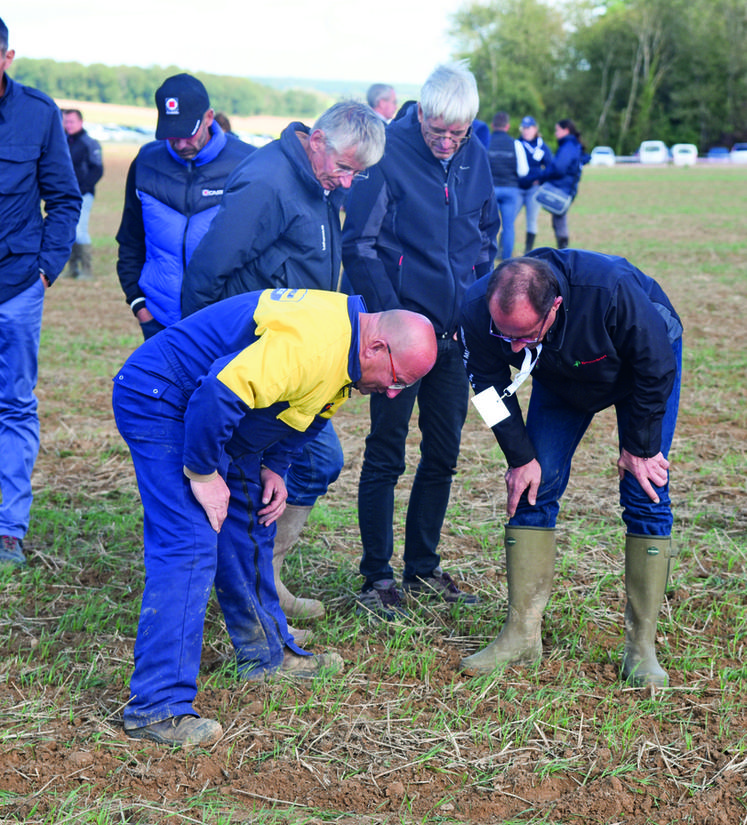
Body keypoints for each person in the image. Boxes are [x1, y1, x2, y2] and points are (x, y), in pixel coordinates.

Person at [112, 287, 437, 746]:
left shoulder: (352, 345)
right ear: (378, 346)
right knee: (190, 542)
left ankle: (266, 655)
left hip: (225, 418)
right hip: (165, 398)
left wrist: (275, 466)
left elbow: (313, 408)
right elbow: (216, 395)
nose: (391, 391)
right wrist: (202, 474)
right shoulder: (314, 342)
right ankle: (156, 707)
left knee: (251, 522)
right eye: (396, 379)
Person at [184, 101, 386, 628]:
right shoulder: (270, 183)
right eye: (344, 167)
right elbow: (206, 273)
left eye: (357, 174)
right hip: (259, 360)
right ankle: (250, 590)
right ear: (316, 139)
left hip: (297, 355)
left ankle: (262, 579)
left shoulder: (314, 181)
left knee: (307, 464)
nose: (347, 183)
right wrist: (207, 360)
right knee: (300, 464)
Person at [458, 250, 683, 688]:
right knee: (531, 488)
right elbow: (486, 388)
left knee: (646, 489)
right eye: (504, 335)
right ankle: (521, 636)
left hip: (640, 369)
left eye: (524, 336)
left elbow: (655, 367)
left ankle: (642, 648)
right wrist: (520, 458)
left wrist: (639, 447)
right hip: (562, 375)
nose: (513, 347)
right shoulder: (476, 310)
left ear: (554, 306)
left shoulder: (611, 291)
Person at [342, 61, 500, 619]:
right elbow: (358, 245)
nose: (447, 142)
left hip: (455, 336)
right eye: (439, 131)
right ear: (422, 112)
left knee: (444, 453)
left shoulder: (475, 155)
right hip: (399, 339)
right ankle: (377, 575)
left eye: (457, 133)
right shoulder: (390, 153)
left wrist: (476, 305)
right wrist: (394, 321)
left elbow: (486, 237)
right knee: (386, 453)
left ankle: (423, 567)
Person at [0, 17, 81, 567]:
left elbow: (65, 198)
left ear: (6, 58)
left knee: (13, 406)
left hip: (16, 288)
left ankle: (7, 528)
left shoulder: (38, 111)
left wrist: (45, 269)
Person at [115, 73, 255, 340]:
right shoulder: (146, 162)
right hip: (160, 323)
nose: (180, 144)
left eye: (187, 134)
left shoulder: (247, 163)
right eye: (171, 135)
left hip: (225, 323)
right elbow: (130, 238)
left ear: (209, 118)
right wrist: (139, 304)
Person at [526, 118, 589, 249]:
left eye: (557, 130)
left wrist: (542, 177)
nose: (555, 134)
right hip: (566, 188)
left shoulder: (568, 147)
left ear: (565, 130)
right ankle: (563, 251)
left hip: (562, 188)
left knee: (559, 221)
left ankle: (564, 252)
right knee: (559, 220)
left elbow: (559, 168)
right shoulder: (571, 145)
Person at [61, 109, 103, 280]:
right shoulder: (62, 142)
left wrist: (82, 189)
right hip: (64, 195)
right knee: (67, 230)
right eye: (66, 121)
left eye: (71, 121)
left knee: (80, 230)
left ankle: (86, 270)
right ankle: (72, 269)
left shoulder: (89, 143)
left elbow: (98, 169)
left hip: (83, 195)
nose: (68, 125)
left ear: (81, 122)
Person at [488, 111, 528, 260]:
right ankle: (506, 260)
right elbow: (523, 171)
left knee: (489, 227)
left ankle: (488, 259)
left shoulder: (486, 142)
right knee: (509, 227)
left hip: (490, 190)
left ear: (492, 125)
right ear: (508, 126)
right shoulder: (516, 144)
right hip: (511, 190)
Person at [516, 116, 553, 254]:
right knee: (509, 219)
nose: (526, 131)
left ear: (535, 129)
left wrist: (541, 180)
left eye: (528, 128)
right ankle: (503, 248)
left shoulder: (542, 146)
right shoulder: (517, 144)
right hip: (518, 188)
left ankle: (528, 250)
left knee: (531, 220)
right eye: (524, 128)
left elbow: (550, 166)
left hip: (534, 188)